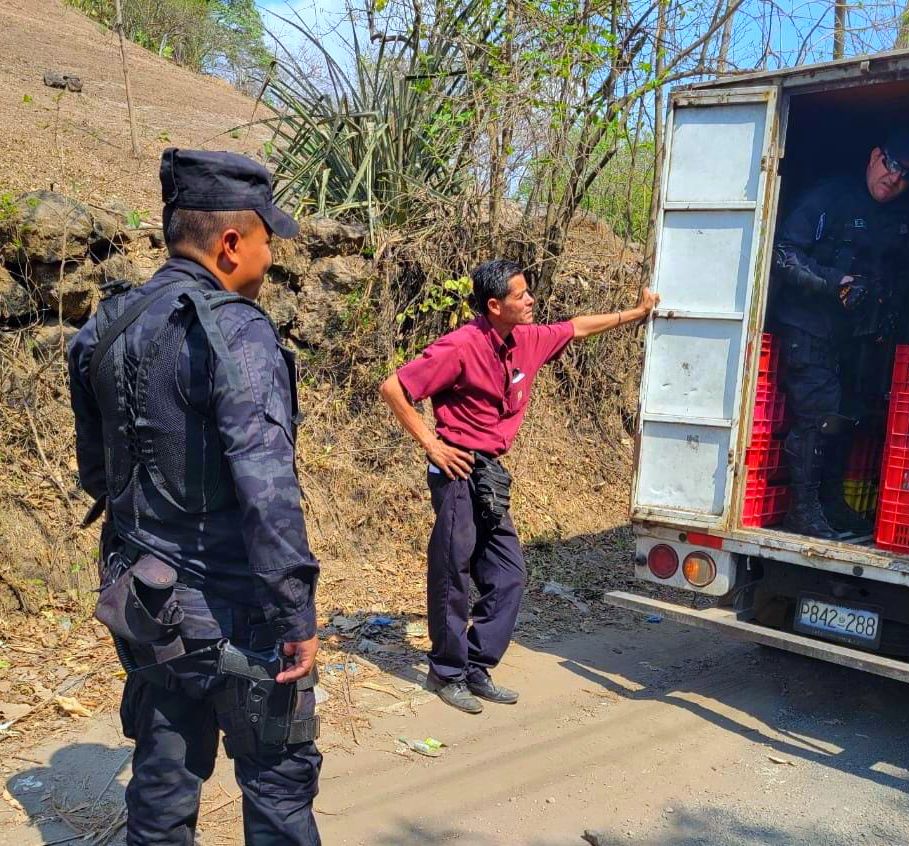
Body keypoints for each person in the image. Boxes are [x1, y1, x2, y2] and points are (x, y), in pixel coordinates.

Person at [67, 149, 322, 845]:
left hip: (147, 600)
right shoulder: (237, 330)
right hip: (239, 611)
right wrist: (296, 611)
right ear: (231, 243)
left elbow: (99, 475)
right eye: (269, 240)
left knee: (161, 782)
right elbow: (266, 488)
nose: (272, 259)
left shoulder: (106, 325)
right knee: (278, 786)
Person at [380, 260, 658, 713]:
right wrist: (432, 444)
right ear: (494, 305)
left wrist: (636, 313)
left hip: (490, 474)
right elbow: (394, 387)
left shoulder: (527, 339)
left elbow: (578, 328)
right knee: (453, 573)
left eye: (529, 293)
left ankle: (475, 665)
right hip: (455, 470)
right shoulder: (460, 347)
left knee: (509, 575)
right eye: (521, 295)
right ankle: (446, 673)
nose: (531, 301)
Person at [769, 129, 909, 539]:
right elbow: (783, 254)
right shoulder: (829, 198)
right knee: (818, 415)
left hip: (856, 337)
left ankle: (830, 503)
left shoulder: (903, 220)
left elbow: (904, 279)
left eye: (908, 176)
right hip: (808, 325)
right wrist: (833, 282)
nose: (895, 179)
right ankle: (802, 511)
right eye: (893, 165)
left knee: (848, 416)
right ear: (876, 156)